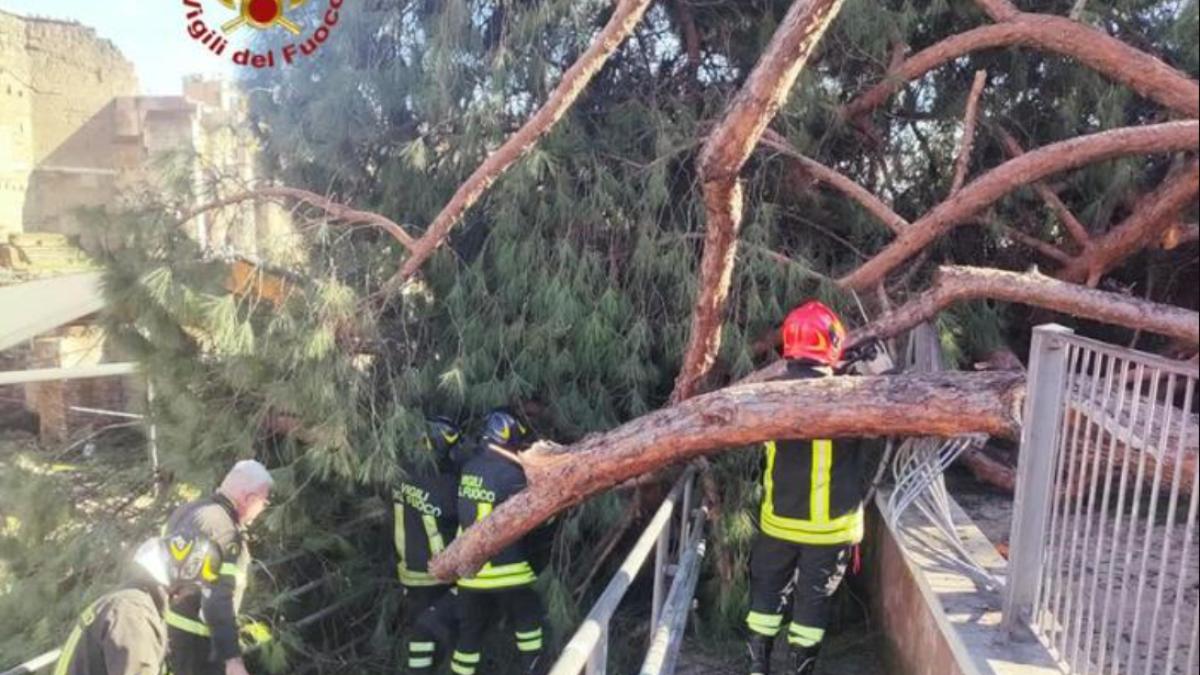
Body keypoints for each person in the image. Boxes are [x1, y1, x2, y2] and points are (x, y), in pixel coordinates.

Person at [745, 301, 873, 675]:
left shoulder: (767, 395)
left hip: (779, 522)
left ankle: (756, 670)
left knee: (765, 602)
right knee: (811, 608)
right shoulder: (856, 395)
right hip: (832, 528)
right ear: (832, 343)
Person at [450, 408, 552, 675]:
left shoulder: (469, 468)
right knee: (529, 626)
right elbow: (533, 524)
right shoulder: (514, 475)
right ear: (508, 432)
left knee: (468, 640)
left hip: (469, 574)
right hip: (510, 572)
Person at [52, 534, 220, 675]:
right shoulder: (134, 615)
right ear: (182, 578)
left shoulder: (129, 602)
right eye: (192, 588)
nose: (187, 596)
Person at [164, 460, 273, 675]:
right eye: (264, 502)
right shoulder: (225, 532)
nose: (262, 509)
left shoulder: (185, 512)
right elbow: (217, 599)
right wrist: (232, 658)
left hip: (169, 636)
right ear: (250, 499)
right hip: (201, 648)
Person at [395, 416, 464, 673]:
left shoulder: (402, 472)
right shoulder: (445, 484)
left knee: (419, 638)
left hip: (408, 571)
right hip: (438, 575)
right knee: (444, 639)